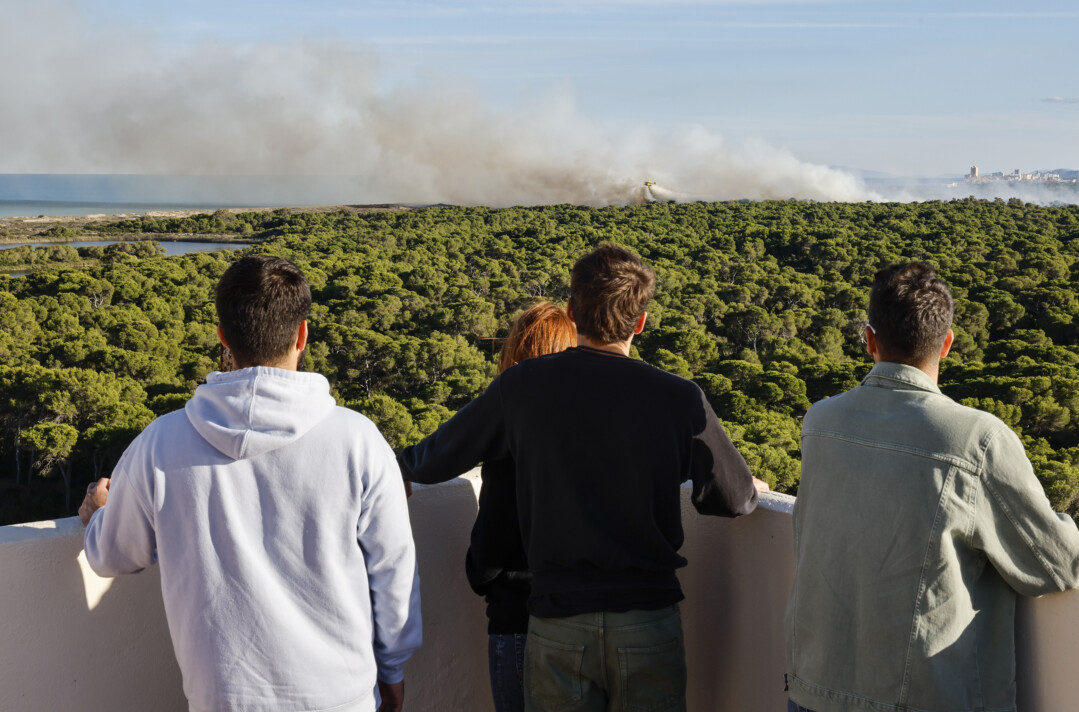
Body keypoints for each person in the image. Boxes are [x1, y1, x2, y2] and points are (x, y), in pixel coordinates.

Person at [399, 244, 763, 712]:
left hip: (557, 621)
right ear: (641, 322)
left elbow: (431, 460)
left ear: (572, 312)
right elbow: (731, 498)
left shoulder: (522, 386)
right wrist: (752, 489)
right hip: (647, 620)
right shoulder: (679, 398)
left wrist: (376, 463)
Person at [79, 254, 422, 712]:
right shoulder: (357, 439)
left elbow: (111, 556)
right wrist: (392, 669)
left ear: (223, 337)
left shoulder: (159, 444)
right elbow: (393, 571)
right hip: (341, 696)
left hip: (222, 699)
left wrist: (101, 511)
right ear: (302, 335)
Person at [783, 262, 1079, 712]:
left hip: (813, 689)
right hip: (922, 697)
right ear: (947, 344)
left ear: (869, 339)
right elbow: (1059, 566)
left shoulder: (820, 422)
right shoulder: (977, 439)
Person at [440, 301, 576, 712]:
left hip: (520, 621)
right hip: (587, 619)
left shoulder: (507, 444)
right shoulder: (592, 437)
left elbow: (490, 557)